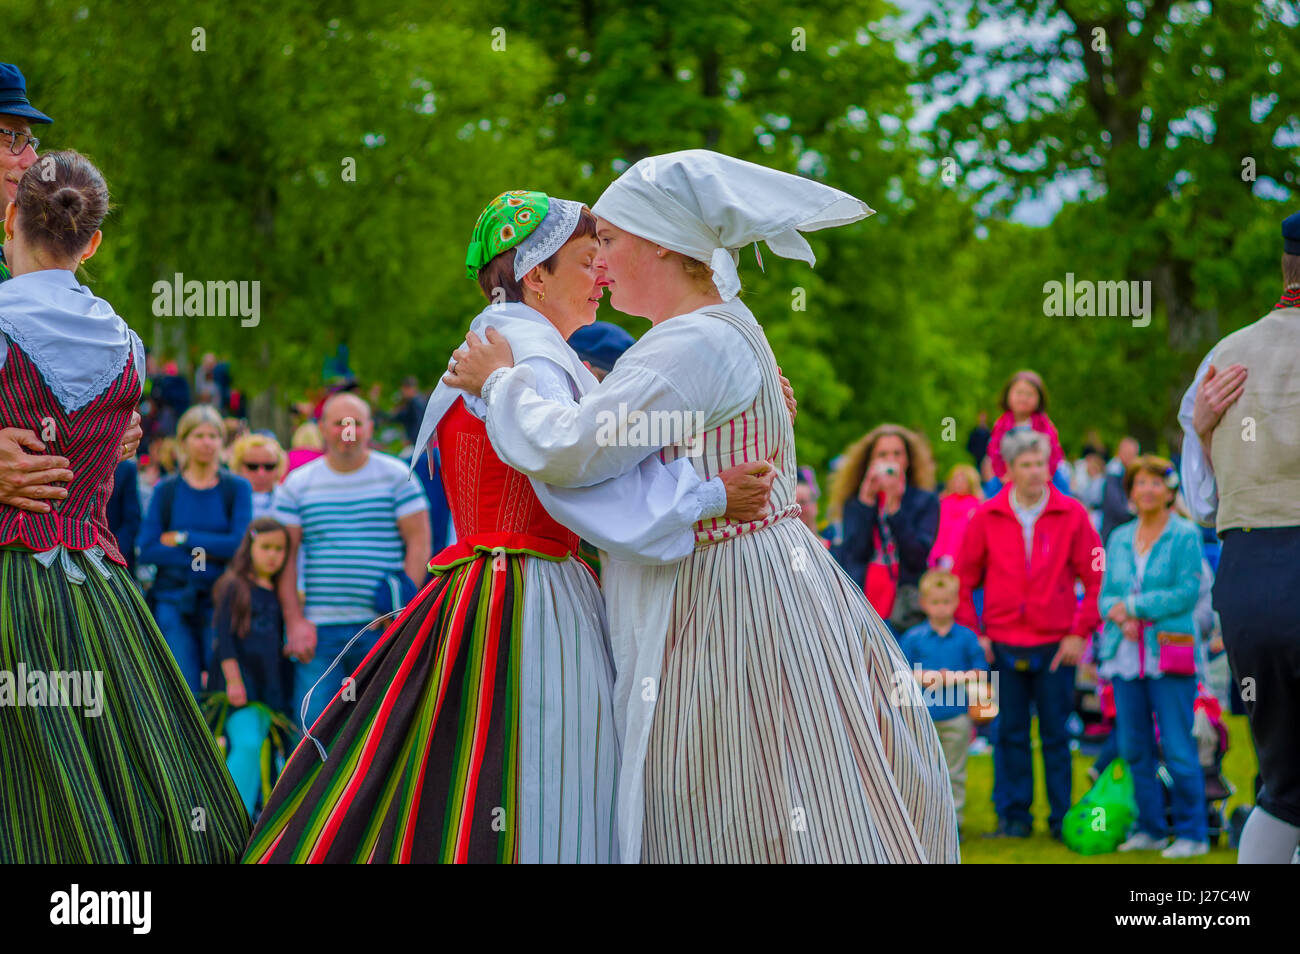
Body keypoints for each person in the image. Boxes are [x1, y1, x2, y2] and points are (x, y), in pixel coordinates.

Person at [446, 152, 959, 863]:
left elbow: (573, 449)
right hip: (748, 572)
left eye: (614, 243)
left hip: (720, 593)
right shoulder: (719, 327)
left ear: (661, 241)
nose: (601, 265)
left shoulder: (691, 343)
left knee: (720, 786)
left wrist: (501, 384)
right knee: (763, 779)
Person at [246, 190, 773, 864]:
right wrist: (704, 497)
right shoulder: (536, 361)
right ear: (536, 275)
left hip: (470, 586)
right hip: (531, 594)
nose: (604, 275)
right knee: (548, 775)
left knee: (455, 770)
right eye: (589, 260)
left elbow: (614, 444)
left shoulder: (502, 344)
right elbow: (576, 477)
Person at [0, 150, 246, 860]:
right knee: (131, 778)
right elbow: (103, 438)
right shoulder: (127, 346)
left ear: (11, 218)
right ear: (93, 241)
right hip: (100, 586)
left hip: (13, 574)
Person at [1177, 208, 1300, 864]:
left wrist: (1204, 435)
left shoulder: (1227, 354)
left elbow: (1200, 499)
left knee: (1284, 784)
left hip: (1250, 576)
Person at [0, 64, 142, 514]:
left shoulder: (23, 262)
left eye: (30, 142)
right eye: (11, 138)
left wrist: (104, 424)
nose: (28, 161)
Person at [955, 429, 1102, 839]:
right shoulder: (986, 515)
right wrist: (976, 634)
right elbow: (963, 579)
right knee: (1008, 733)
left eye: (1042, 463)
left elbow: (1095, 578)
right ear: (1008, 470)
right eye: (1027, 464)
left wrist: (1079, 633)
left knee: (1057, 734)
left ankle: (1060, 820)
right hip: (1001, 642)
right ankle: (1014, 817)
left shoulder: (1072, 514)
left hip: (1056, 644)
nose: (1037, 472)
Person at [274, 391, 431, 730]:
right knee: (311, 728)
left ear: (370, 428)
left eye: (356, 423)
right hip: (319, 629)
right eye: (339, 423)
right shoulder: (298, 484)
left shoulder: (397, 476)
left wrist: (400, 610)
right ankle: (312, 786)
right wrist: (295, 622)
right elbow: (285, 556)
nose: (348, 431)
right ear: (322, 428)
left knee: (383, 727)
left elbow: (418, 543)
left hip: (378, 627)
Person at [1097, 455, 1208, 858]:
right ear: (1130, 492)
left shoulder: (1185, 535)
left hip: (1169, 654)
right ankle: (1150, 828)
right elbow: (1105, 594)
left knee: (1177, 746)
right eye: (1139, 483)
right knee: (1134, 747)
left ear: (1169, 490)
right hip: (1125, 655)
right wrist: (1118, 611)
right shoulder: (1119, 537)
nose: (1147, 490)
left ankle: (1194, 832)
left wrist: (1135, 607)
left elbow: (1186, 593)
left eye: (1155, 483)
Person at [139, 404, 253, 694]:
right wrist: (208, 552)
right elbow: (149, 548)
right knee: (183, 689)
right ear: (184, 441)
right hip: (174, 599)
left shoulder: (236, 488)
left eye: (214, 435)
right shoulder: (167, 490)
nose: (207, 442)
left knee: (219, 691)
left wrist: (184, 538)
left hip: (221, 602)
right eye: (199, 435)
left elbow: (238, 544)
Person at [206, 517, 296, 819]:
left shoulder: (281, 592)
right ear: (251, 547)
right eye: (266, 547)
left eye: (280, 549)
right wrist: (233, 681)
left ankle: (257, 819)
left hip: (269, 689)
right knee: (245, 743)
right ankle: (232, 818)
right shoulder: (235, 585)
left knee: (265, 752)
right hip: (240, 688)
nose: (273, 555)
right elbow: (224, 640)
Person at [899, 568, 988, 832]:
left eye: (946, 602)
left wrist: (955, 677)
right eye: (935, 602)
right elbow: (899, 673)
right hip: (922, 717)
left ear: (956, 602)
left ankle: (953, 823)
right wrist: (923, 676)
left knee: (954, 771)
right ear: (924, 604)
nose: (940, 608)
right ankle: (922, 823)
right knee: (921, 771)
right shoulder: (913, 638)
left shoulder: (966, 637)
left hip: (957, 715)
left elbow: (981, 673)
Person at [829, 423, 940, 633]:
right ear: (870, 461)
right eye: (882, 454)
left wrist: (895, 508)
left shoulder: (925, 501)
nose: (891, 460)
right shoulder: (855, 502)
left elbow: (917, 556)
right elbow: (854, 553)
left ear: (907, 460)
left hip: (905, 603)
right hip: (864, 600)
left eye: (897, 453)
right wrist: (866, 501)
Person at [986, 370, 1069, 492]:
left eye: (1030, 394)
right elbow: (994, 452)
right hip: (1007, 474)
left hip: (1041, 473)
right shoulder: (1001, 425)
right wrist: (1003, 475)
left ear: (1039, 399)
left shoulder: (1044, 425)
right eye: (1019, 393)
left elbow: (1054, 452)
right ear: (1008, 395)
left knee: (1061, 491)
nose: (1024, 398)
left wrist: (1047, 474)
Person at [929, 463, 984, 570]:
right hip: (939, 554)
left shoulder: (976, 506)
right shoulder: (943, 502)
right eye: (956, 480)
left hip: (961, 555)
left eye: (963, 480)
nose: (958, 484)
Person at [230, 431, 285, 518]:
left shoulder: (290, 499)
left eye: (269, 466)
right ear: (238, 467)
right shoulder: (228, 499)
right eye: (253, 466)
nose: (261, 473)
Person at [1099, 435, 1140, 544]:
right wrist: (1134, 510)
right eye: (1128, 454)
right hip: (1112, 533)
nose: (1132, 458)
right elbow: (1118, 508)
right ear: (1120, 453)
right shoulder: (1113, 473)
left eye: (1133, 454)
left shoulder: (1133, 473)